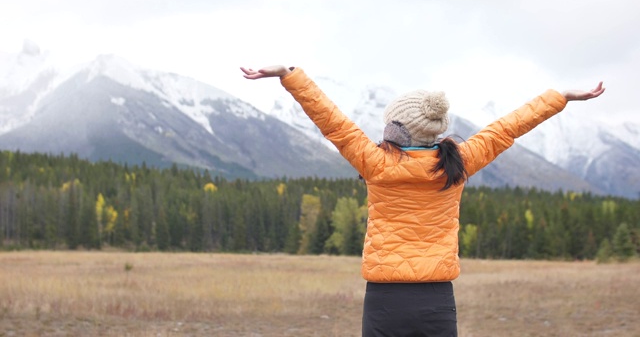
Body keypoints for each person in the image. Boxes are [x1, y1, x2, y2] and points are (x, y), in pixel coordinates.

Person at [241, 65, 605, 337]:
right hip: (437, 301)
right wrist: (561, 97)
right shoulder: (459, 163)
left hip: (384, 301)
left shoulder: (375, 163)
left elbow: (331, 121)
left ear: (394, 129)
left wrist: (287, 75)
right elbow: (507, 128)